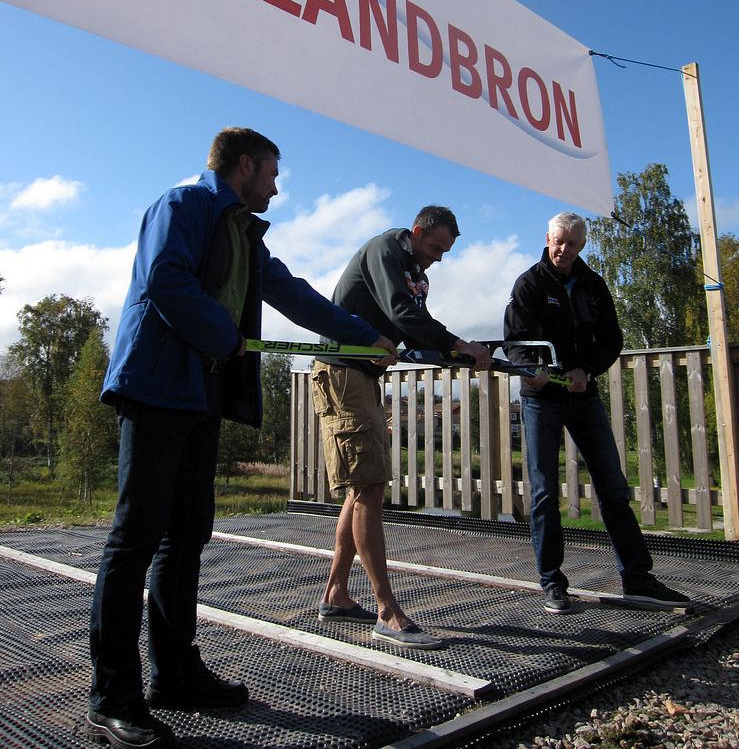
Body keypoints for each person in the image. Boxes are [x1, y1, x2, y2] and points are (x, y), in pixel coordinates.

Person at [86, 127, 396, 749]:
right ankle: (112, 696)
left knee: (187, 535)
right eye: (273, 173)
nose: (278, 186)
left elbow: (296, 296)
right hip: (154, 389)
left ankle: (173, 674)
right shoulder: (182, 207)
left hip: (199, 395)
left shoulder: (248, 237)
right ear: (245, 165)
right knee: (136, 536)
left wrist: (362, 334)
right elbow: (165, 282)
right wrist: (225, 340)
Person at [311, 206, 493, 649]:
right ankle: (387, 611)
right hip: (341, 373)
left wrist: (457, 356)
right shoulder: (385, 251)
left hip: (366, 376)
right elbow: (402, 313)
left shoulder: (416, 272)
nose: (438, 258)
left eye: (446, 251)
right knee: (369, 488)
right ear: (417, 232)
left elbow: (411, 333)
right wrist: (456, 343)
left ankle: (335, 593)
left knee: (362, 490)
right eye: (435, 247)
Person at [503, 211, 691, 614]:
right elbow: (514, 341)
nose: (564, 250)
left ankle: (637, 578)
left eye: (572, 243)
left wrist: (585, 371)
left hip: (582, 395)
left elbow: (611, 340)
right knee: (544, 492)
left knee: (612, 487)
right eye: (558, 242)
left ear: (582, 245)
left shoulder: (593, 286)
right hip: (541, 399)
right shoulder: (529, 284)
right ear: (547, 238)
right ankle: (552, 582)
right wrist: (534, 371)